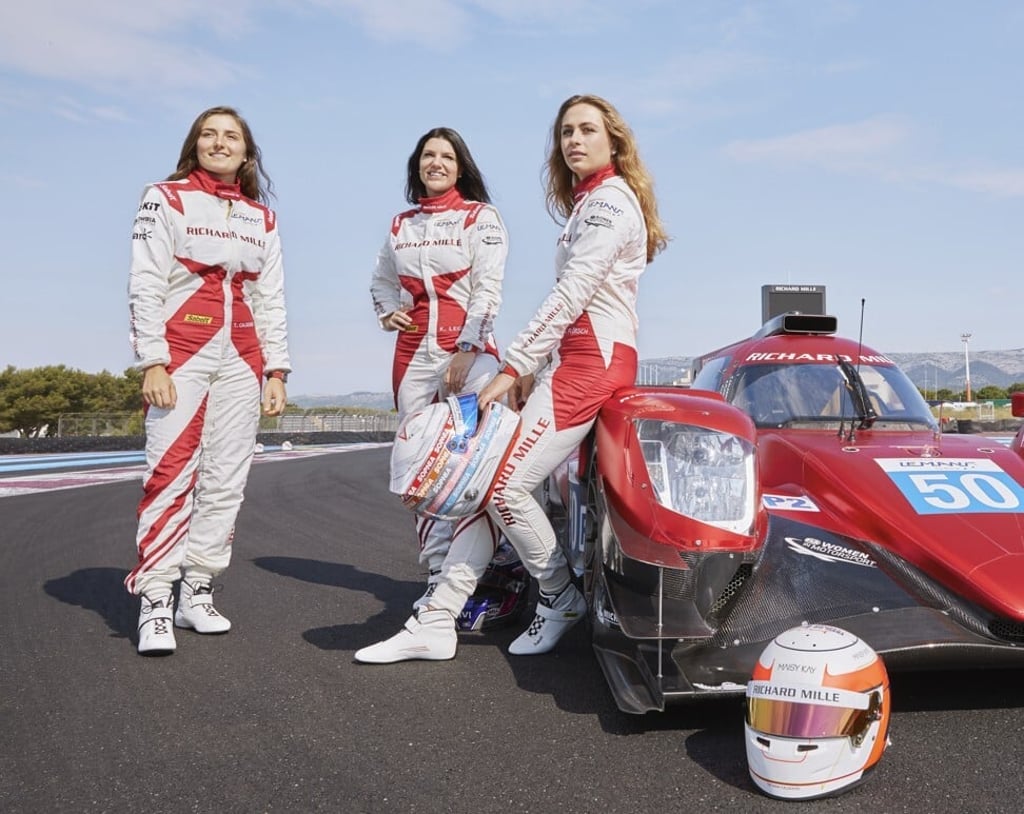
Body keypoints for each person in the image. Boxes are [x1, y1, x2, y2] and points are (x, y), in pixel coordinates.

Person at [356, 94, 667, 662]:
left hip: (592, 363)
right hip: (574, 360)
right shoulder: (589, 201)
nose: (573, 140)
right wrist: (535, 368)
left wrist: (514, 365)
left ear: (614, 141)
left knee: (501, 485)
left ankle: (555, 596)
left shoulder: (608, 204)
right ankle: (441, 615)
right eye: (566, 132)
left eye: (587, 130)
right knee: (487, 482)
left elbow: (573, 296)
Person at [125, 106, 290, 656]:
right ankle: (155, 597)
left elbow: (270, 297)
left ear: (247, 153)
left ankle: (197, 589)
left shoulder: (261, 218)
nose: (219, 144)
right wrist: (152, 360)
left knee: (226, 478)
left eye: (231, 137)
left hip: (243, 355)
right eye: (209, 135)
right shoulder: (164, 197)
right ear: (195, 144)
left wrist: (276, 369)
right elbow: (145, 279)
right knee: (168, 472)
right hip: (182, 351)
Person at [361, 127, 508, 657]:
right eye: (428, 156)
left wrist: (468, 346)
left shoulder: (479, 218)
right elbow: (380, 281)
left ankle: (474, 575)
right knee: (420, 473)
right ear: (416, 164)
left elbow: (489, 287)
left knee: (469, 469)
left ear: (461, 166)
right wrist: (386, 310)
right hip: (411, 358)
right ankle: (433, 579)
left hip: (468, 356)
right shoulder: (401, 225)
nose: (436, 163)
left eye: (446, 156)